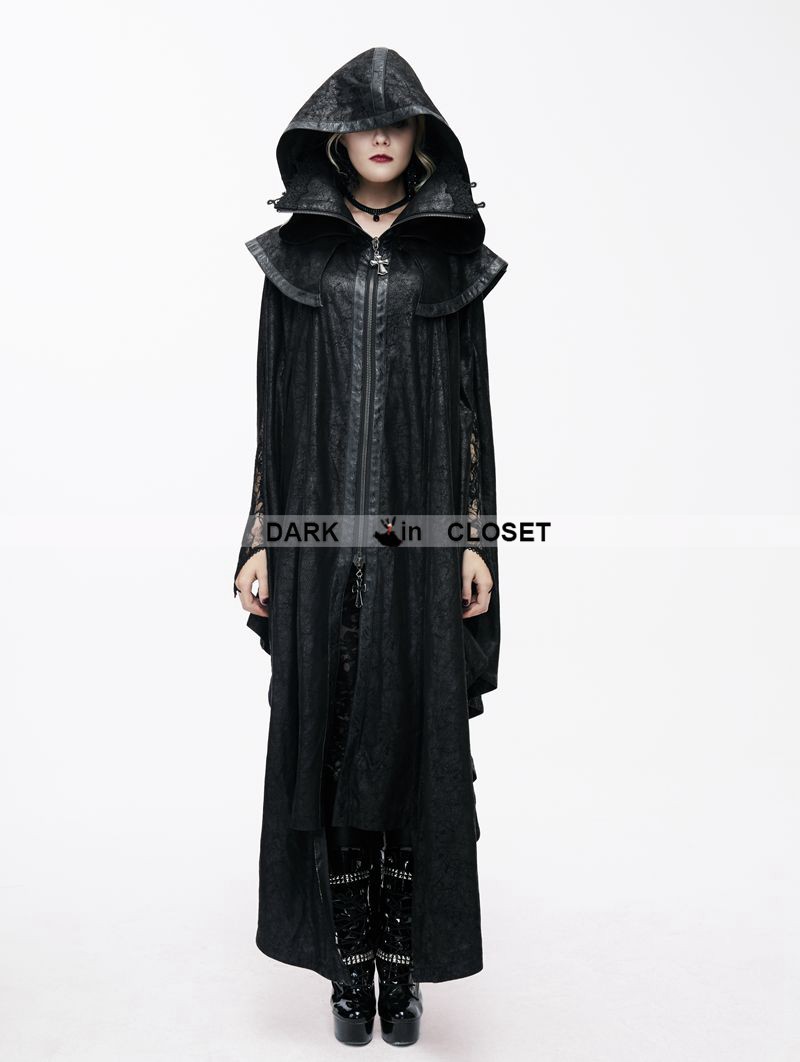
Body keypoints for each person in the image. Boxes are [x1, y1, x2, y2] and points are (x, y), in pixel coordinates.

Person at [233, 46, 508, 1047]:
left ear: (420, 136)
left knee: (410, 739)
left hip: (419, 546)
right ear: (335, 140)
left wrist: (473, 539)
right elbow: (272, 415)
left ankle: (404, 962)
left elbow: (472, 412)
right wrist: (261, 536)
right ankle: (349, 965)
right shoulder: (299, 258)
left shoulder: (446, 261)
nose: (381, 137)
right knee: (334, 733)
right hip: (318, 550)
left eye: (397, 121)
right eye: (363, 124)